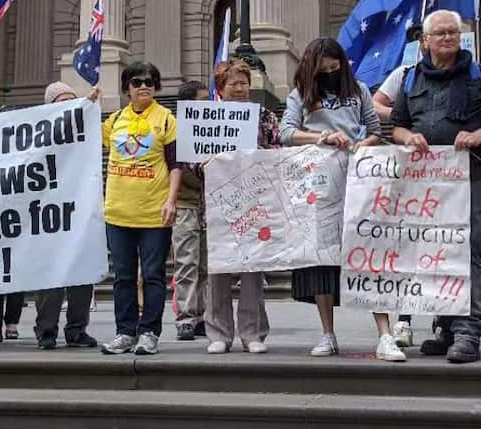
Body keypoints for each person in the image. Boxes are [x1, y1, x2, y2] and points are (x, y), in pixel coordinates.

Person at [390, 11, 481, 364]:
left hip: (468, 180)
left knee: (467, 253)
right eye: (440, 33)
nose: (447, 38)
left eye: (453, 32)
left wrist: (477, 136)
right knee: (432, 254)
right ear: (425, 41)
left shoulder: (480, 76)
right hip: (424, 185)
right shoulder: (411, 79)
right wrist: (409, 137)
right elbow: (397, 126)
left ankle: (467, 331)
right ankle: (444, 327)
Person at [281, 37, 402, 362]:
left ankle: (385, 334)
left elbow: (376, 129)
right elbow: (286, 132)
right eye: (324, 71)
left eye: (335, 69)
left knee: (367, 253)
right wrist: (321, 136)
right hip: (318, 183)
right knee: (322, 256)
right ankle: (327, 333)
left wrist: (366, 144)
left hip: (356, 179)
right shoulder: (300, 95)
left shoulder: (358, 90)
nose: (331, 75)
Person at [100, 62, 182, 356]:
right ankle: (124, 332)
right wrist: (85, 105)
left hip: (153, 212)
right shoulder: (114, 121)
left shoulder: (166, 119)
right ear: (126, 89)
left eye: (149, 81)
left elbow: (175, 165)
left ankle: (149, 332)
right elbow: (81, 136)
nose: (143, 86)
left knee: (153, 275)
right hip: (118, 211)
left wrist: (171, 201)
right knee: (122, 276)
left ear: (156, 87)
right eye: (136, 82)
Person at [204, 58, 278, 354]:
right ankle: (218, 333)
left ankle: (252, 333)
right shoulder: (206, 119)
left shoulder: (265, 117)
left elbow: (277, 151)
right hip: (216, 203)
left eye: (244, 83)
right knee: (218, 269)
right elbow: (190, 160)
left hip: (253, 201)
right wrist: (206, 164)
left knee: (252, 269)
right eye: (233, 83)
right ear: (220, 88)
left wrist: (258, 156)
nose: (240, 88)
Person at [32, 80, 99, 350]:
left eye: (73, 100)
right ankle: (46, 329)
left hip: (80, 212)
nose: (70, 106)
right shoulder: (37, 136)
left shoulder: (85, 131)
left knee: (82, 275)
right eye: (63, 102)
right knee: (51, 276)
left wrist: (90, 105)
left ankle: (77, 329)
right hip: (49, 215)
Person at [171, 80, 210, 341]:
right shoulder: (175, 131)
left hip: (209, 204)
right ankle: (185, 317)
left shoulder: (215, 129)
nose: (208, 104)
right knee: (186, 262)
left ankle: (201, 316)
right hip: (185, 203)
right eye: (203, 100)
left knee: (206, 266)